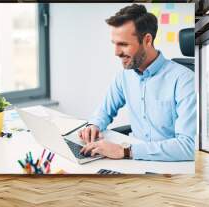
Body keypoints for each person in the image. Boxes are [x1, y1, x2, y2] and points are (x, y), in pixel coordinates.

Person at [78, 4, 196, 161]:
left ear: (147, 40)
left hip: (171, 166)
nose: (116, 53)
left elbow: (188, 146)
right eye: (115, 43)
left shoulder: (184, 80)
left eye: (124, 44)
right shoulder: (124, 76)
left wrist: (125, 151)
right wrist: (93, 125)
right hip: (135, 162)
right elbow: (104, 112)